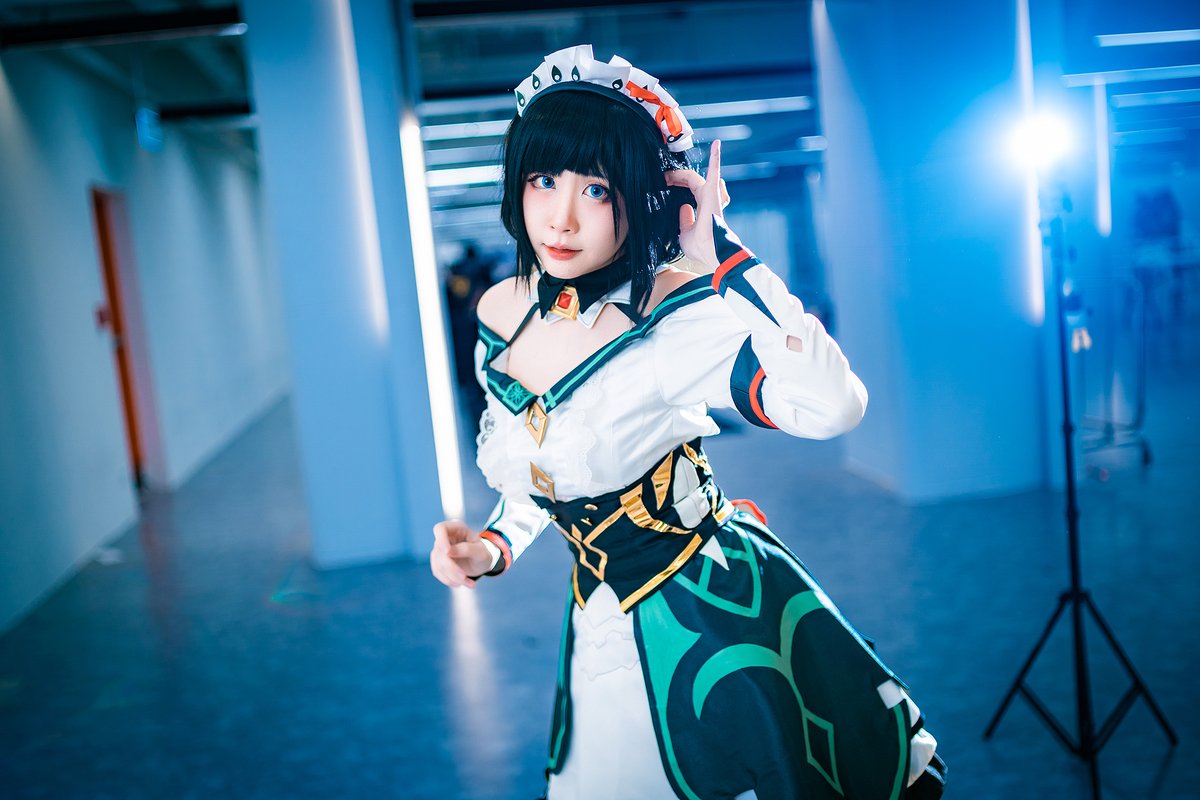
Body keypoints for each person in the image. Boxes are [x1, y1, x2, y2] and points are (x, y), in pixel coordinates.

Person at [429, 44, 945, 800]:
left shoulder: (678, 317)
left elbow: (834, 406)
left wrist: (725, 256)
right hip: (597, 627)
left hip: (711, 616)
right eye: (543, 180)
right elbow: (540, 474)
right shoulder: (502, 315)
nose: (560, 218)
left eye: (596, 189)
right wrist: (493, 547)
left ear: (645, 199)